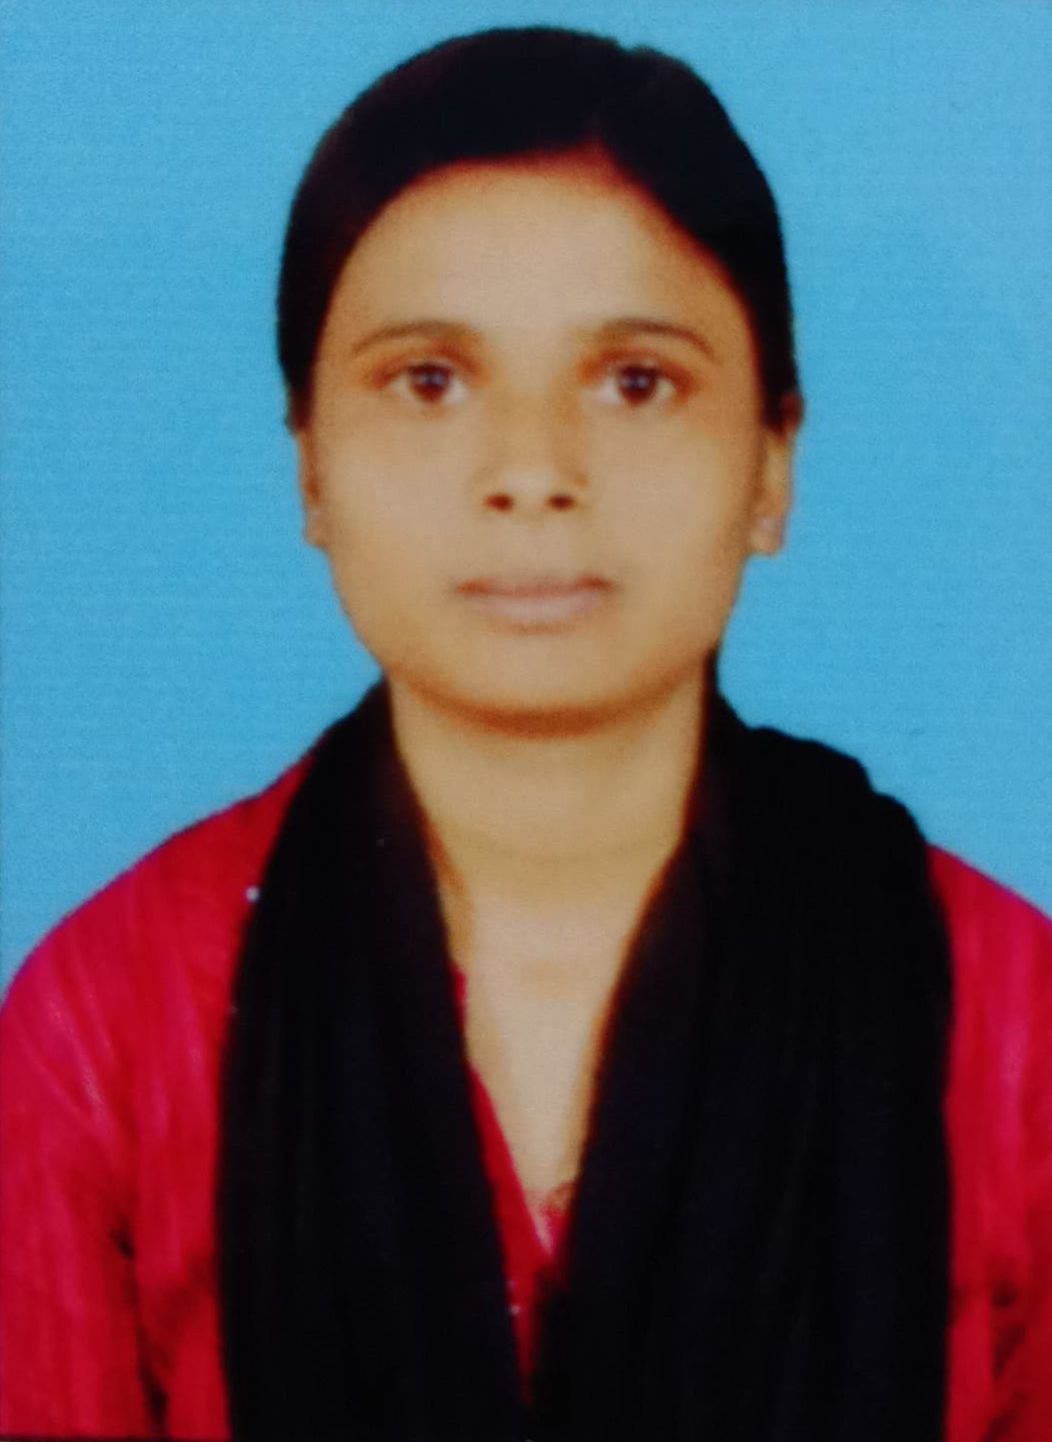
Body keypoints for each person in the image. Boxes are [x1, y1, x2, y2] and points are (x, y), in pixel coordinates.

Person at [0, 25, 1049, 1442]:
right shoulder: (106, 1032)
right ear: (310, 467)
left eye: (637, 380)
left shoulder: (1010, 1026)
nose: (533, 472)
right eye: (430, 380)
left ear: (772, 464)